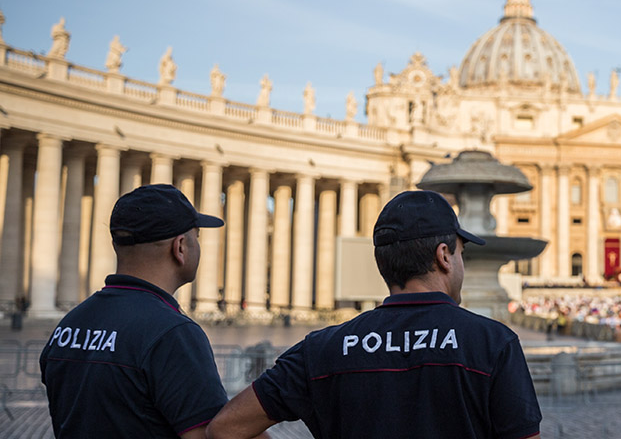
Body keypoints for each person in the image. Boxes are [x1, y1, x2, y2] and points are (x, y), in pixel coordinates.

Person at [208, 191, 541, 439]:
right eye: (462, 254)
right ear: (444, 256)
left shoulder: (322, 349)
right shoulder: (492, 342)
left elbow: (225, 428)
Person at [40, 184, 227, 438]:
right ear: (180, 247)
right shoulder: (172, 334)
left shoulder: (69, 324)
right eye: (197, 237)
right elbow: (205, 435)